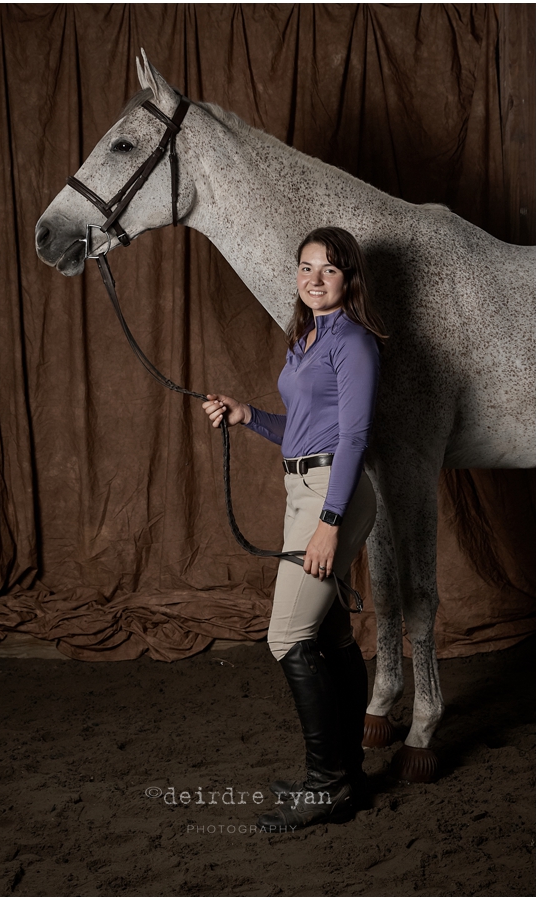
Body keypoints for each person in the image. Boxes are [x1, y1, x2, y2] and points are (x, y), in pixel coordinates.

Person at [202, 227, 386, 830]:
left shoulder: (354, 343)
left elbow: (352, 437)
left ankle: (326, 785)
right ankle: (350, 775)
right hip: (304, 486)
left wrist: (329, 523)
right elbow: (305, 430)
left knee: (286, 636)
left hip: (331, 495)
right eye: (305, 268)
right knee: (329, 636)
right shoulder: (306, 338)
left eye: (327, 270)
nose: (313, 279)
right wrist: (247, 415)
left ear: (348, 279)